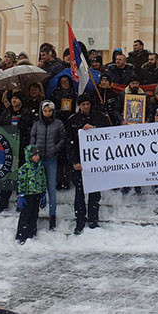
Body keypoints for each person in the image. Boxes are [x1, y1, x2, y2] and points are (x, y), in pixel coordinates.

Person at [66, 93, 109, 235]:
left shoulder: (99, 117)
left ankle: (93, 218)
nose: (86, 107)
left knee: (95, 192)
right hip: (80, 163)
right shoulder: (73, 120)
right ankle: (80, 219)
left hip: (95, 162)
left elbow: (108, 134)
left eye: (88, 104)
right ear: (79, 105)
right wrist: (74, 162)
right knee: (79, 193)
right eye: (83, 104)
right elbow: (69, 143)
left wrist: (94, 129)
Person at [0, 91, 34, 213]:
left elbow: (30, 130)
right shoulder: (6, 113)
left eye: (16, 98)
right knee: (6, 176)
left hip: (22, 149)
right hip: (8, 150)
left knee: (21, 177)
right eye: (12, 98)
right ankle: (2, 202)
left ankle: (21, 201)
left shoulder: (27, 113)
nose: (14, 100)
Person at [29, 100, 66, 230]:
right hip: (38, 159)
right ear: (41, 111)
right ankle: (35, 213)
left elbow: (63, 138)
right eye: (45, 111)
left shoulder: (58, 124)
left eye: (50, 111)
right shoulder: (37, 124)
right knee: (37, 186)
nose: (47, 113)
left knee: (51, 187)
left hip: (51, 158)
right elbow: (32, 138)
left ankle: (52, 215)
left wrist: (55, 149)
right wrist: (34, 152)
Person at [15, 145, 47, 244]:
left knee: (34, 214)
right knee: (25, 215)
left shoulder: (40, 167)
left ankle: (31, 234)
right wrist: (21, 195)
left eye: (38, 154)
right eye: (34, 155)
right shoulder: (24, 168)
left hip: (37, 194)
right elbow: (21, 182)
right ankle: (21, 235)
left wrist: (43, 192)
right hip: (27, 195)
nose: (37, 157)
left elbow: (43, 180)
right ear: (29, 156)